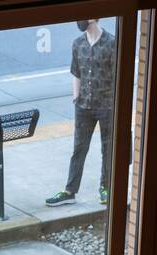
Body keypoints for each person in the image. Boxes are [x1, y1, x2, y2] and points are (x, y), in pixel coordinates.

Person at [46, 19, 117, 207]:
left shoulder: (112, 43)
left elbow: (118, 74)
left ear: (94, 18)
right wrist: (76, 98)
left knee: (107, 149)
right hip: (83, 106)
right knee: (79, 148)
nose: (80, 21)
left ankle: (106, 188)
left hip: (107, 106)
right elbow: (76, 72)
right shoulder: (77, 43)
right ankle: (70, 191)